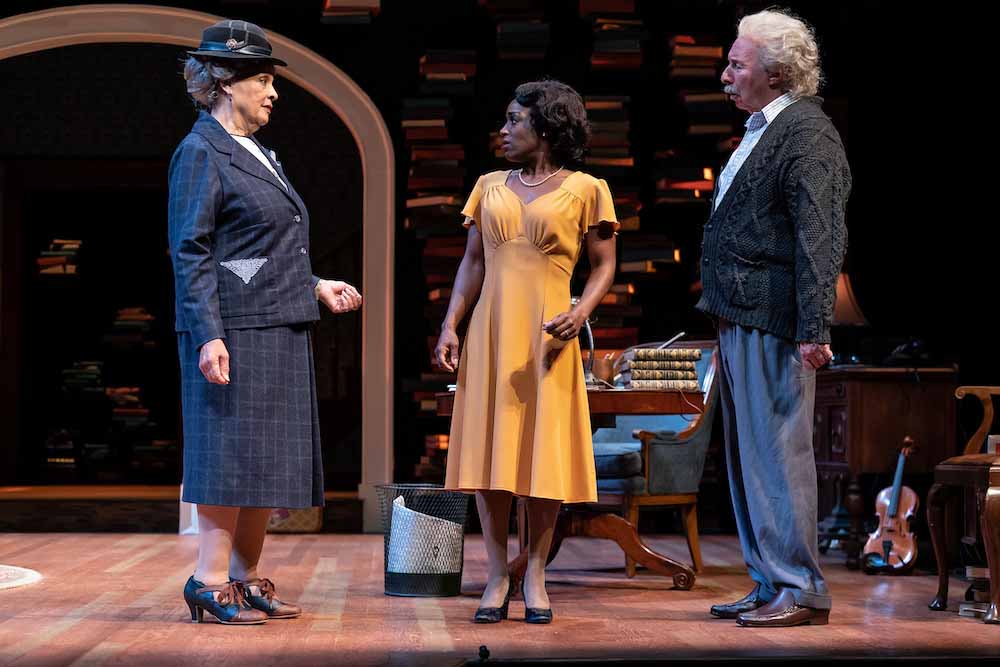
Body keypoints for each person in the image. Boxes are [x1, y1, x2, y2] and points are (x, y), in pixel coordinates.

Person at [168, 19, 361, 625]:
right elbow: (192, 251)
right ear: (226, 82)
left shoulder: (258, 152)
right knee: (229, 455)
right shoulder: (201, 151)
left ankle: (245, 577)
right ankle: (206, 580)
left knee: (265, 458)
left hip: (277, 321)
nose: (274, 92)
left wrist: (313, 285)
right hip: (234, 329)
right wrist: (208, 333)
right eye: (262, 80)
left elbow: (258, 250)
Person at [434, 80, 618, 624]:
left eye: (515, 120)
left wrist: (581, 312)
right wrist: (450, 324)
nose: (505, 130)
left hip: (548, 336)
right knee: (489, 455)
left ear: (547, 126)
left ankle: (534, 572)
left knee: (543, 456)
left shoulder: (587, 189)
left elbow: (604, 265)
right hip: (492, 332)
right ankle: (497, 573)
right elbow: (472, 263)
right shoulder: (488, 185)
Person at [697, 9, 851, 627]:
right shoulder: (765, 130)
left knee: (779, 455)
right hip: (740, 314)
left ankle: (800, 587)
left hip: (774, 319)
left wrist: (814, 326)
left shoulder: (807, 134)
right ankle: (768, 581)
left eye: (737, 64)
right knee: (749, 459)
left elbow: (821, 234)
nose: (726, 75)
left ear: (777, 72)